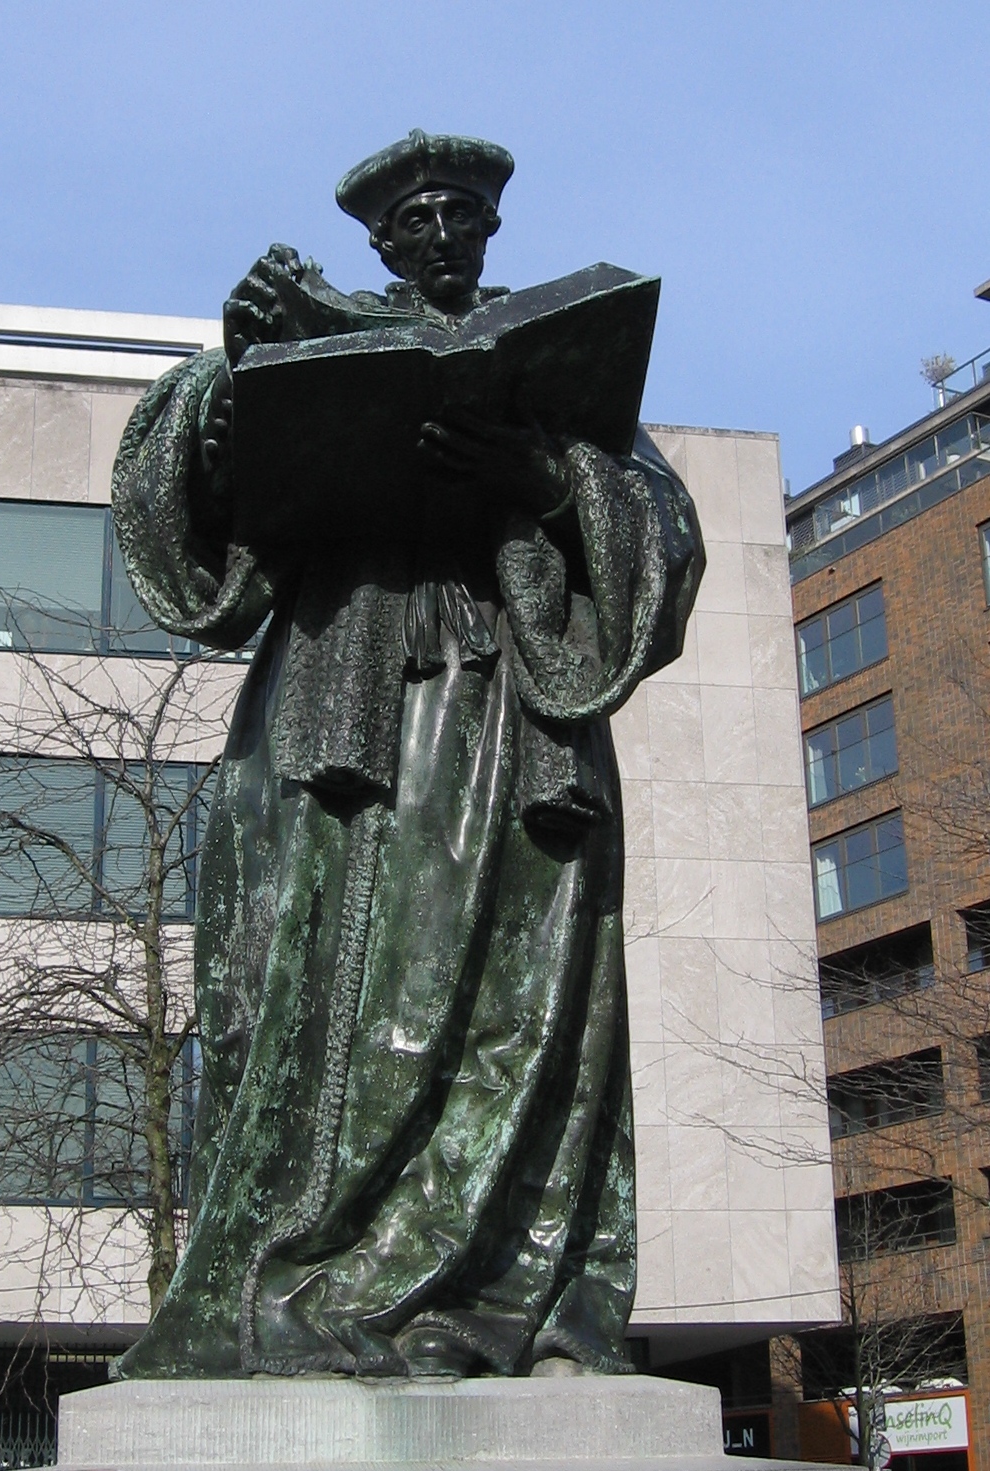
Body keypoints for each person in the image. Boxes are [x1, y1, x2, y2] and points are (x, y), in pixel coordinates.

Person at [111, 130, 704, 1380]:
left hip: (513, 712)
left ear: (489, 229)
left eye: (459, 215)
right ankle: (307, 1270)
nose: (439, 236)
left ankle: (494, 1283)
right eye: (414, 220)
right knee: (320, 974)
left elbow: (664, 534)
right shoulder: (321, 343)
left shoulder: (554, 376)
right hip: (340, 704)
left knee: (511, 981)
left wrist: (548, 479)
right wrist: (230, 381)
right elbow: (183, 505)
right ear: (380, 241)